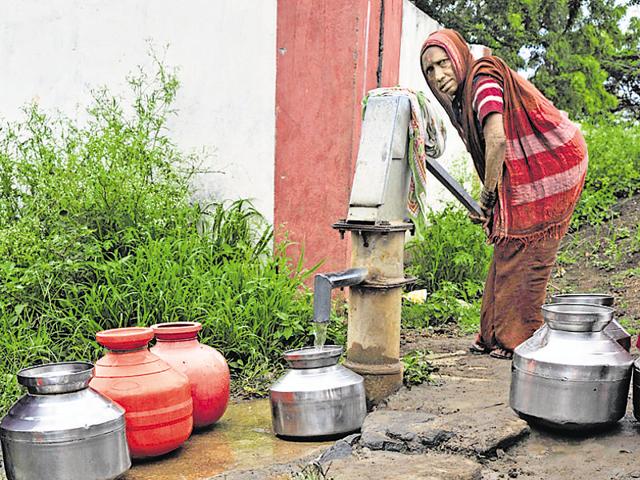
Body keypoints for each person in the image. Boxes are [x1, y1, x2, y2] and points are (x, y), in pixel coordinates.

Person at [420, 29, 587, 359]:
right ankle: (493, 334)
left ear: (458, 58)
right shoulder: (465, 95)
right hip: (525, 169)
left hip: (552, 163)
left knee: (528, 251)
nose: (438, 76)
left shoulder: (482, 79)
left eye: (443, 64)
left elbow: (497, 140)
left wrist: (487, 197)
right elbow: (490, 149)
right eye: (430, 70)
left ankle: (520, 338)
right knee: (505, 247)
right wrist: (490, 203)